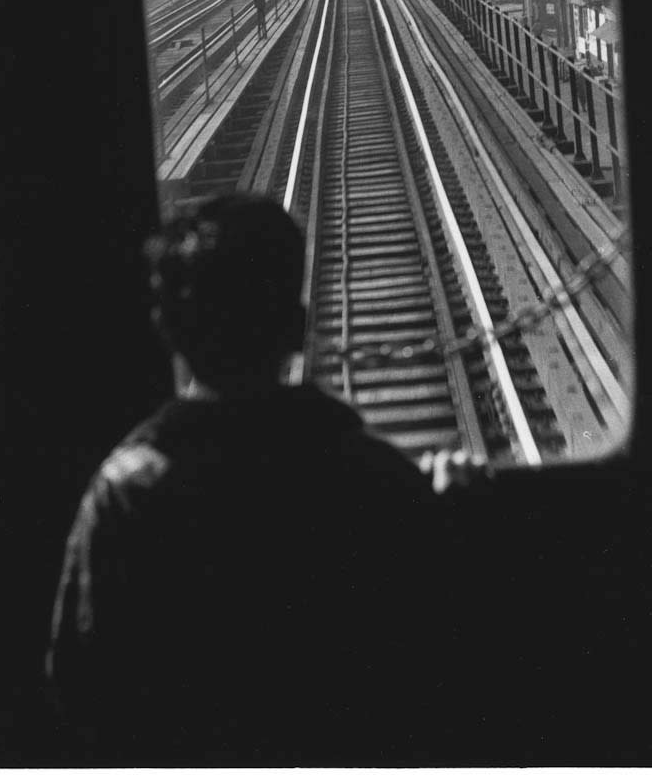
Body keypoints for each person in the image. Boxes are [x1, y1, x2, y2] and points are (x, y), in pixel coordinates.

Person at [47, 194, 442, 765]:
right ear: (297, 327)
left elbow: (81, 688)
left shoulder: (128, 492)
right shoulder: (370, 474)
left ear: (168, 330)